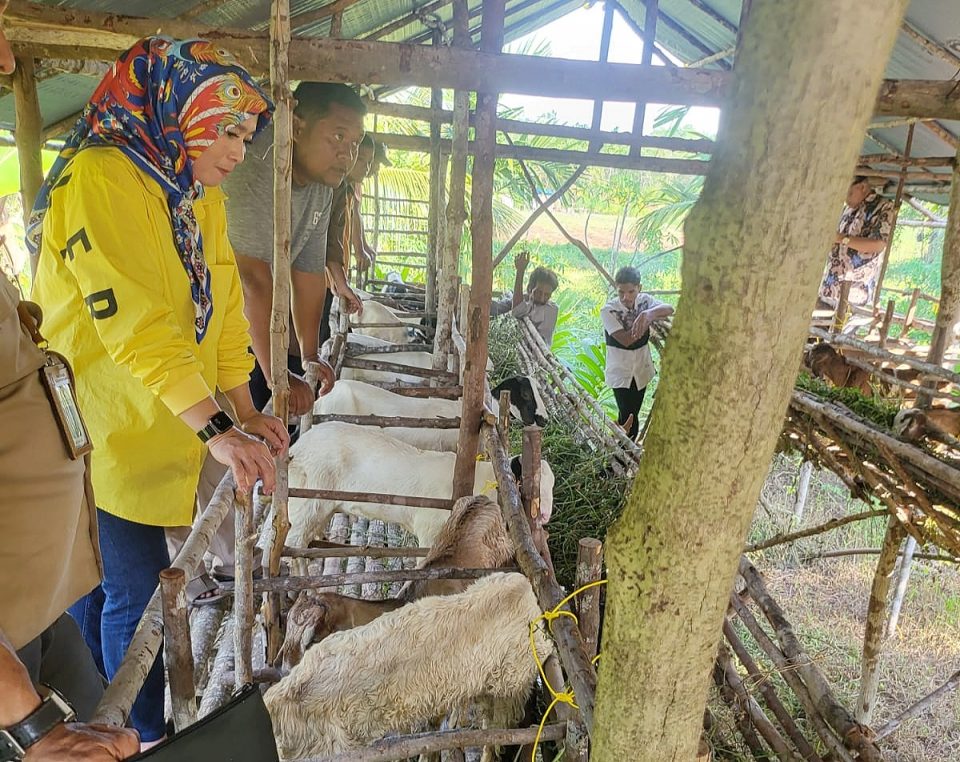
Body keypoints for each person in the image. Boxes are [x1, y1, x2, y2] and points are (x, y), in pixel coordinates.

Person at [28, 37, 288, 746]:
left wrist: (246, 406)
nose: (237, 150)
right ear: (177, 111)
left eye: (244, 135)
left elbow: (224, 304)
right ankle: (137, 734)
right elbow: (132, 320)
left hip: (154, 418)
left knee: (102, 581)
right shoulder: (102, 177)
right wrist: (217, 428)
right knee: (134, 588)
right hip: (97, 421)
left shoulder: (188, 191)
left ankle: (87, 709)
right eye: (227, 130)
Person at [225, 81, 367, 416]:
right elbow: (251, 279)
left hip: (240, 328)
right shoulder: (258, 164)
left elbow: (307, 273)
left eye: (355, 143)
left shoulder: (322, 185)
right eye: (337, 136)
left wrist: (309, 355)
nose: (347, 153)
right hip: (203, 324)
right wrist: (278, 376)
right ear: (297, 127)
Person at [601, 266, 674, 440]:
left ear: (639, 288)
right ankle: (622, 458)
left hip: (641, 369)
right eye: (621, 292)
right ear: (616, 289)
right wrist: (644, 321)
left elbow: (670, 308)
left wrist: (649, 314)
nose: (626, 297)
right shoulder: (608, 310)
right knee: (628, 417)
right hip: (621, 371)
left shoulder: (645, 302)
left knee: (631, 415)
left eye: (631, 292)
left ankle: (622, 456)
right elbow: (626, 339)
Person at [820, 175, 894, 307]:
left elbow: (878, 245)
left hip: (854, 292)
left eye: (849, 193)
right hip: (829, 287)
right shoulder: (847, 209)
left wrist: (842, 239)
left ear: (863, 187)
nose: (845, 198)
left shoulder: (884, 207)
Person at [491, 251, 560, 345]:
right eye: (538, 292)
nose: (542, 298)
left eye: (547, 295)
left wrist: (520, 271)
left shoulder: (551, 310)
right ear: (530, 289)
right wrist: (520, 272)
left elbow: (517, 310)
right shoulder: (526, 301)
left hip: (535, 352)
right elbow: (511, 307)